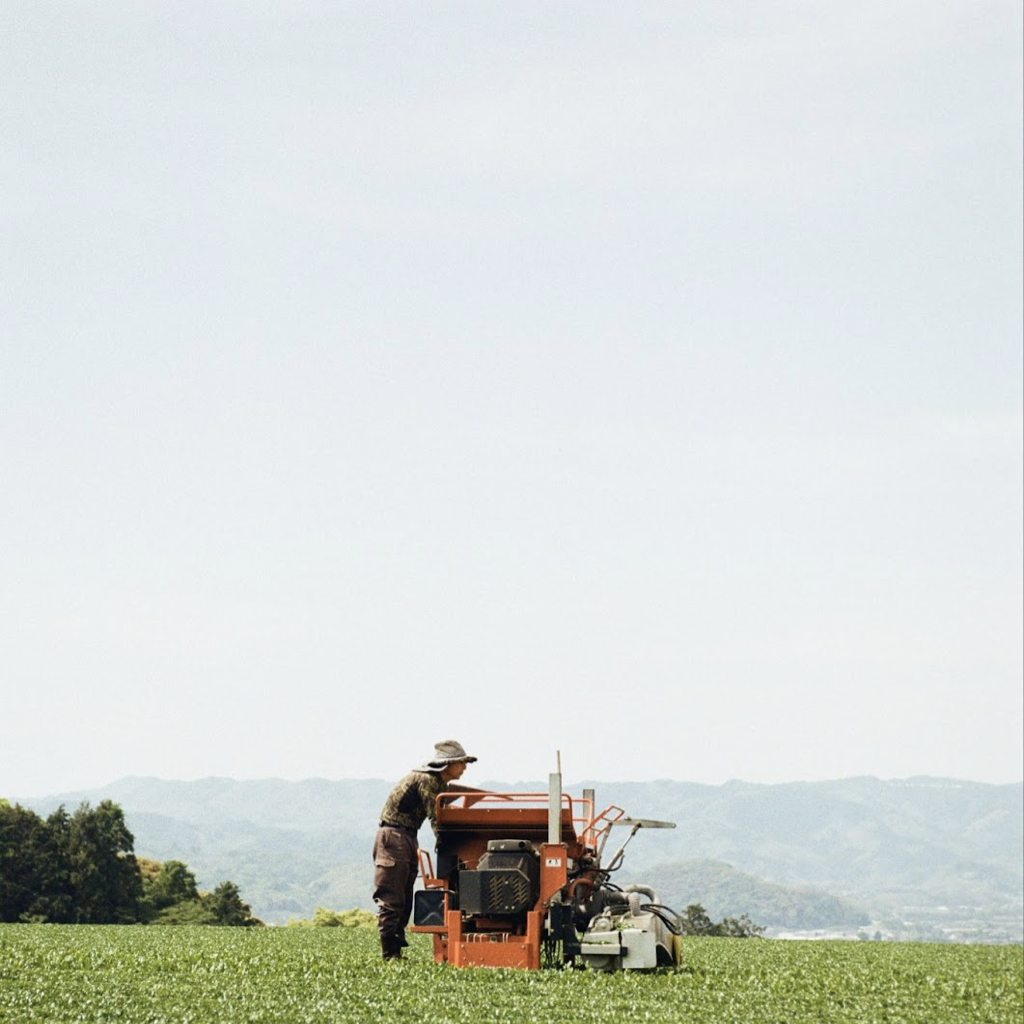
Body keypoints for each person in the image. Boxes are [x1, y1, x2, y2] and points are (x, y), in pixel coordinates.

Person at [372, 739, 482, 961]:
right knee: (392, 897)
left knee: (405, 896)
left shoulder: (439, 784)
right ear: (447, 764)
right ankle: (389, 953)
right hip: (394, 837)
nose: (464, 767)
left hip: (407, 836)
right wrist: (450, 846)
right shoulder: (428, 780)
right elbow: (437, 818)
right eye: (461, 762)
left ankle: (396, 950)